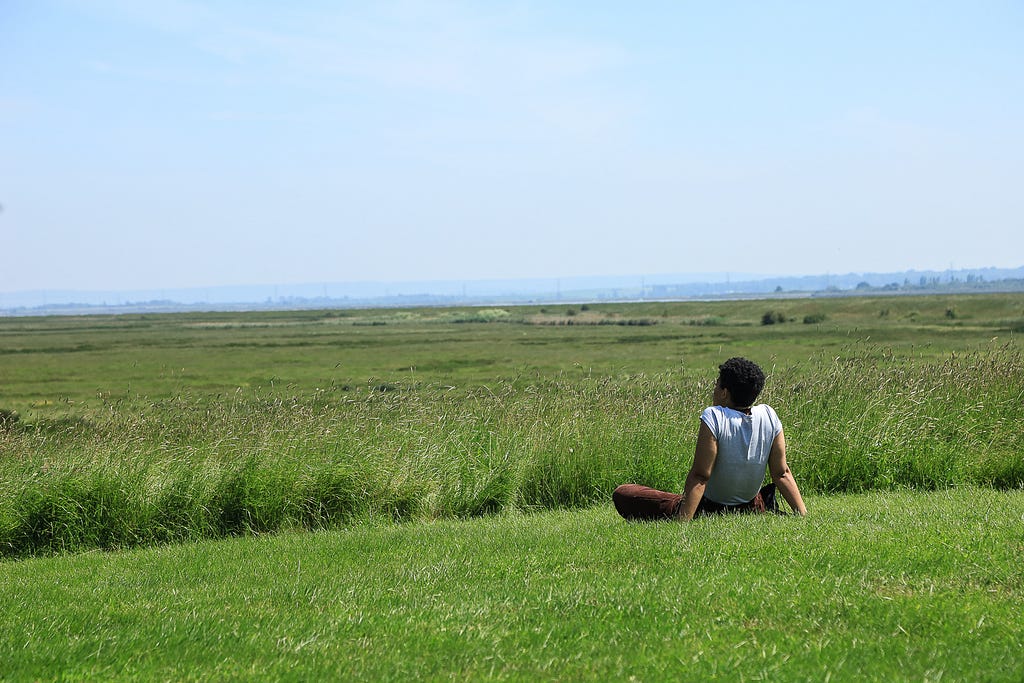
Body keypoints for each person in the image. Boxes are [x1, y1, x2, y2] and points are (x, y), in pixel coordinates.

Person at [613, 357, 807, 521]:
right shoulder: (769, 414)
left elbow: (701, 475)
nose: (714, 388)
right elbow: (782, 473)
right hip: (751, 505)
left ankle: (686, 510)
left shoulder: (714, 416)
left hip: (710, 507)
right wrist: (802, 514)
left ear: (724, 393)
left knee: (624, 492)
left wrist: (683, 519)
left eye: (717, 384)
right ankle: (763, 503)